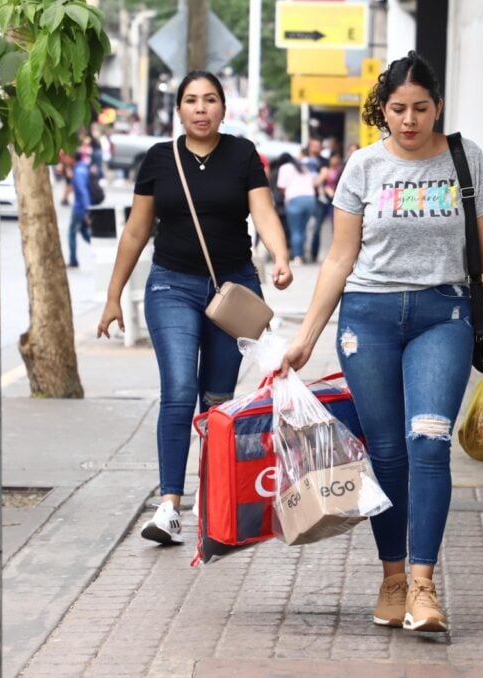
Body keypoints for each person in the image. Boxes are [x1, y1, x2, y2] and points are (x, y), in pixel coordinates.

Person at [280, 51, 483, 632]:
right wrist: (307, 336)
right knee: (385, 453)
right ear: (382, 110)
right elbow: (339, 257)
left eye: (420, 109)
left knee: (429, 444)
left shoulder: (466, 160)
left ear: (438, 107)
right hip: (369, 320)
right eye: (397, 110)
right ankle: (390, 577)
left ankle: (423, 584)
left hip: (443, 315)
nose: (409, 121)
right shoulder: (363, 166)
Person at [97, 71, 293, 546]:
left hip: (234, 289)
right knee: (180, 388)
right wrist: (112, 296)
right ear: (179, 110)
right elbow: (136, 231)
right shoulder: (160, 160)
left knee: (218, 398)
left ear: (224, 109)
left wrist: (281, 256)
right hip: (172, 286)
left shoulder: (243, 154)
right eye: (191, 100)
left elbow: (263, 211)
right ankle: (169, 505)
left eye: (210, 100)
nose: (201, 108)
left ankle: (215, 499)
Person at [275, 149, 317, 265]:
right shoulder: (303, 166)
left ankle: (297, 257)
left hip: (295, 200)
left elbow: (281, 187)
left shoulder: (284, 168)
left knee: (295, 230)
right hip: (310, 199)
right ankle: (302, 254)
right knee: (303, 229)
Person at [308, 150, 343, 262]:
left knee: (336, 226)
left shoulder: (341, 170)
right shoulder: (324, 169)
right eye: (333, 158)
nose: (335, 160)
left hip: (335, 199)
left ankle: (337, 254)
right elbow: (316, 183)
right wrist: (324, 188)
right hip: (322, 199)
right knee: (317, 226)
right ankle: (314, 252)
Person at [67, 151, 92, 267]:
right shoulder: (83, 168)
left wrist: (87, 210)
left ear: (72, 158)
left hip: (79, 208)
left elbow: (83, 191)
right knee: (84, 232)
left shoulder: (78, 171)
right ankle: (98, 246)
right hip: (83, 207)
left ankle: (73, 260)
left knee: (72, 233)